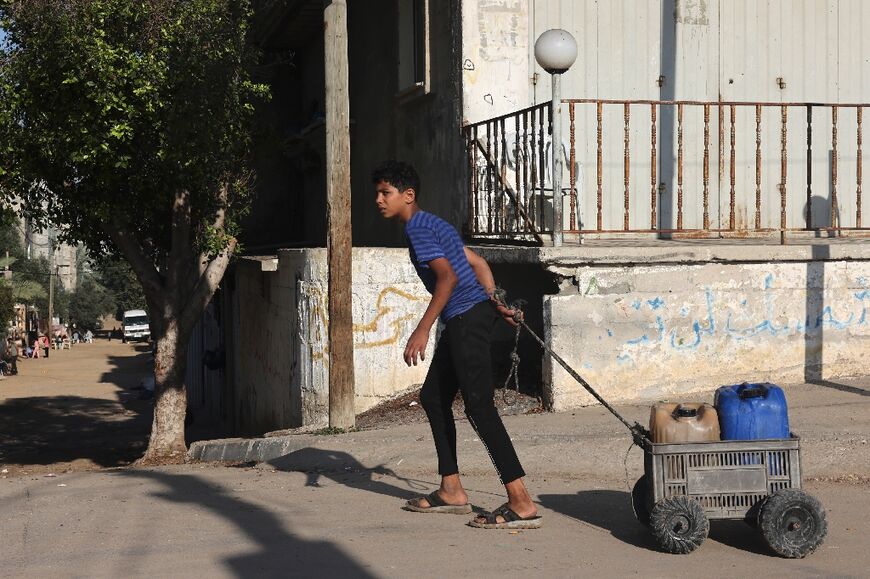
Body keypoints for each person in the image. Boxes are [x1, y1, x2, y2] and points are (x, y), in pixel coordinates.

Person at [372, 160, 541, 529]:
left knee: (480, 409)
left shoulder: (418, 229)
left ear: (408, 195)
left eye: (386, 193)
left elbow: (447, 278)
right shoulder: (435, 224)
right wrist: (496, 303)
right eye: (378, 193)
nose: (379, 200)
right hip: (469, 316)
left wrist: (422, 329)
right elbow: (476, 262)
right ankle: (451, 489)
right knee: (434, 396)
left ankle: (521, 501)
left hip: (464, 320)